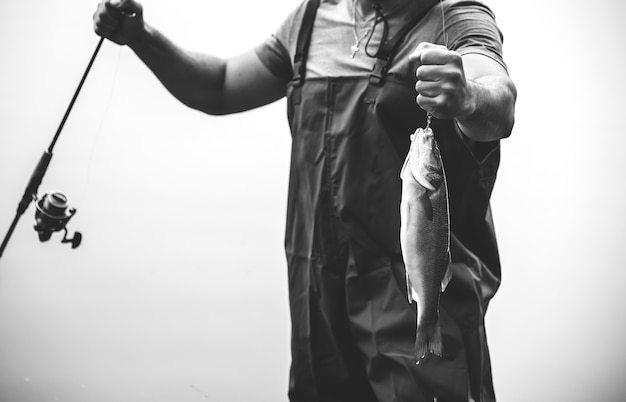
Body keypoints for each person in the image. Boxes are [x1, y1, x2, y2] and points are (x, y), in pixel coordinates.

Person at [93, 0, 516, 401]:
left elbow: (500, 103)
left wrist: (468, 97)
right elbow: (220, 87)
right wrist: (141, 37)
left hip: (419, 301)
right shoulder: (312, 20)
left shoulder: (456, 18)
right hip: (319, 298)